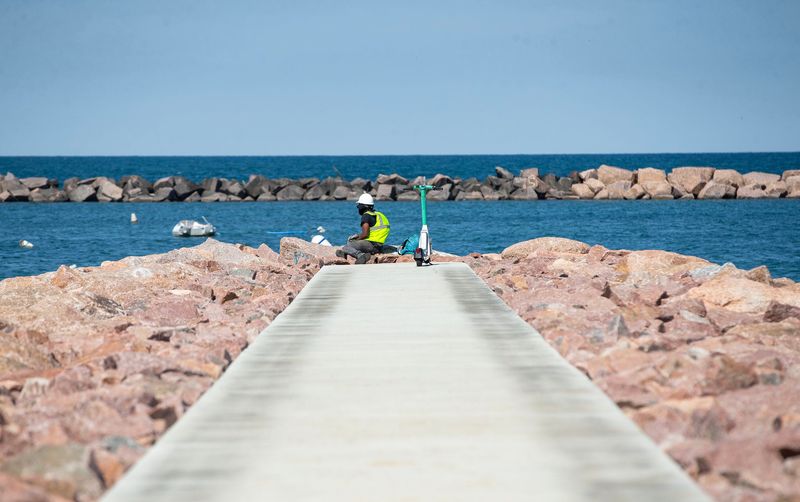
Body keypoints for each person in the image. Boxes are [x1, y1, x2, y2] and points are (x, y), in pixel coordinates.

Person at [335, 193, 390, 264]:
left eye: (359, 206)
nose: (358, 207)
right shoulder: (380, 215)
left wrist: (355, 238)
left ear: (363, 206)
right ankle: (344, 254)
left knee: (347, 245)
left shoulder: (366, 216)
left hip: (371, 245)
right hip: (379, 246)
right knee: (350, 245)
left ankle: (360, 255)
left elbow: (365, 234)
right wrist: (358, 236)